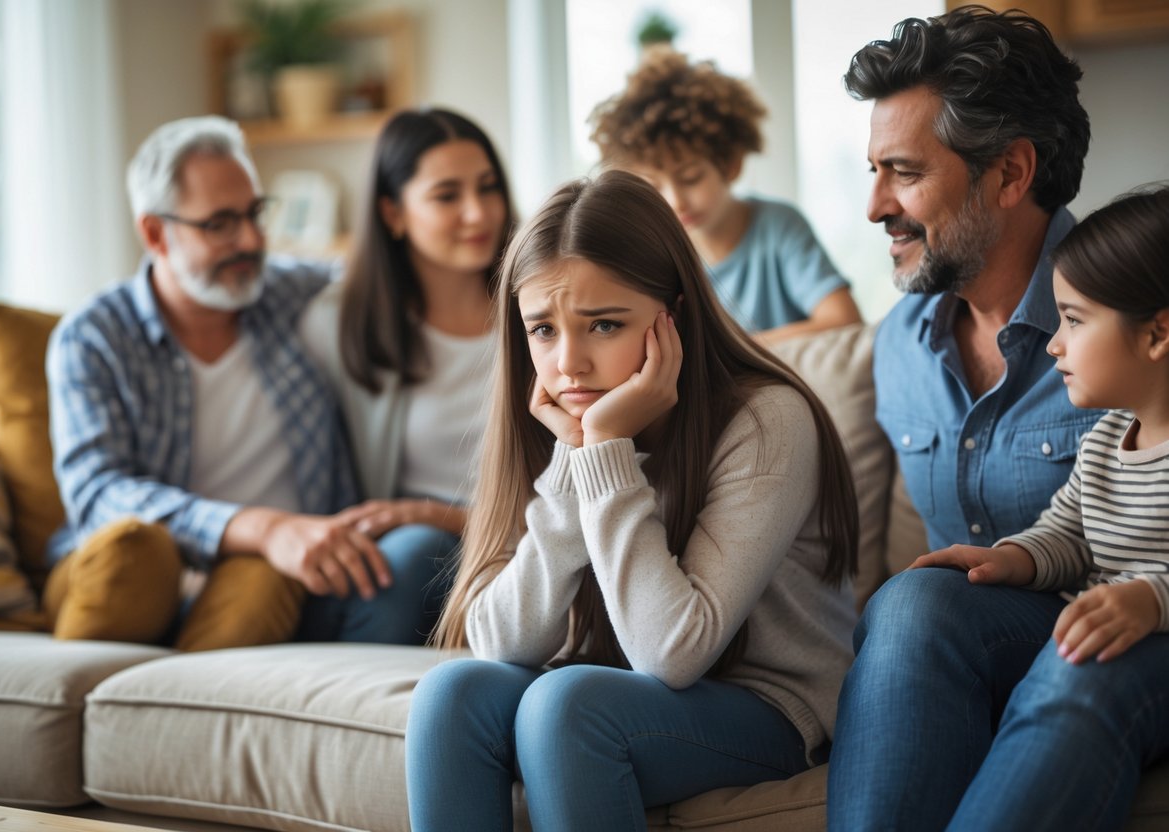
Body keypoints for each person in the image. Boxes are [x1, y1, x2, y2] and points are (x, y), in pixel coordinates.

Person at [403, 169, 860, 832]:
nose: (568, 365)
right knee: (452, 693)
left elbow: (673, 650)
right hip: (614, 691)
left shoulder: (766, 419)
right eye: (542, 331)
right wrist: (574, 466)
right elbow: (500, 641)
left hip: (768, 708)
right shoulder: (559, 423)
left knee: (568, 706)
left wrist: (606, 452)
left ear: (672, 316)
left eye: (603, 325)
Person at [826, 7, 1108, 829]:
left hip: (1124, 639)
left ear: (1010, 172)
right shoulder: (899, 348)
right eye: (874, 170)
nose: (877, 204)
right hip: (965, 655)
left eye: (904, 172)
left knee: (916, 604)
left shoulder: (1139, 324)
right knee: (906, 607)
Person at [45, 115, 403, 652]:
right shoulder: (93, 336)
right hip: (148, 571)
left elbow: (396, 281)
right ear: (155, 233)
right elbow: (98, 494)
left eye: (255, 213)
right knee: (133, 554)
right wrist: (261, 528)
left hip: (281, 575)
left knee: (264, 578)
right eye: (219, 224)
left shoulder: (292, 296)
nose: (252, 240)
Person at [896, 185, 1169, 829]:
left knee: (1077, 664)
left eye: (1073, 320)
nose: (1053, 344)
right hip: (1104, 626)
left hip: (1150, 643)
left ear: (1157, 334)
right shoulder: (1106, 437)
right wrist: (1014, 558)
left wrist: (1153, 599)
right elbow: (1069, 532)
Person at [297, 108, 515, 642]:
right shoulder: (337, 324)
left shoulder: (538, 307)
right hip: (413, 556)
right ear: (393, 213)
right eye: (447, 196)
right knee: (404, 559)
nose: (478, 213)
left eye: (488, 188)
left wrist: (432, 514)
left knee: (415, 548)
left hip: (527, 532)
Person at [588, 48, 861, 344]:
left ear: (730, 164)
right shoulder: (655, 256)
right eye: (654, 186)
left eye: (691, 178)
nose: (675, 201)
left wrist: (735, 351)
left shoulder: (779, 227)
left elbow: (844, 320)